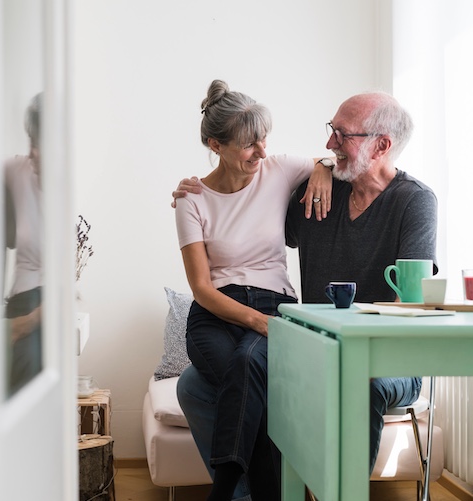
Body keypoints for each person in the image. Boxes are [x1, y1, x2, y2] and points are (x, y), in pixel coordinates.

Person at [173, 90, 438, 495]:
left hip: (384, 358)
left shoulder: (415, 201)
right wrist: (196, 190)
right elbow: (252, 202)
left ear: (381, 145)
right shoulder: (319, 195)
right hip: (314, 348)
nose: (329, 143)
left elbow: (412, 301)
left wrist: (322, 168)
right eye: (330, 131)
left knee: (360, 383)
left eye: (342, 135)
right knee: (193, 384)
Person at [174, 79, 333, 501]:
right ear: (216, 144)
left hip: (275, 301)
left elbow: (334, 156)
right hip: (214, 315)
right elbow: (202, 288)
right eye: (249, 144)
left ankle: (225, 491)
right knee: (248, 379)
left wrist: (322, 167)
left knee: (247, 369)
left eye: (264, 139)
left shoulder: (278, 169)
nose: (261, 151)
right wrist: (255, 321)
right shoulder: (191, 199)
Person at [4, 93, 44, 396]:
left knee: (30, 362)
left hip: (48, 305)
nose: (34, 152)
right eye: (32, 141)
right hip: (20, 297)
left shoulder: (71, 191)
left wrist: (27, 323)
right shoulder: (16, 172)